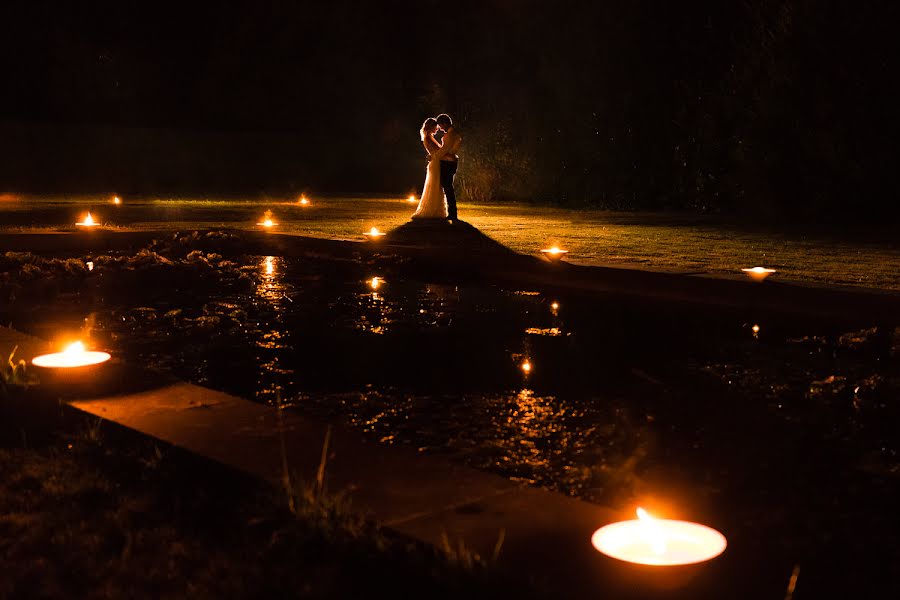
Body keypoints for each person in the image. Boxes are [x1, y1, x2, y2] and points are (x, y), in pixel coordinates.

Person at [411, 117, 449, 220]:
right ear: (431, 126)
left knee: (435, 186)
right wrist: (446, 147)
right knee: (436, 186)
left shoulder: (428, 137)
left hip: (435, 162)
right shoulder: (428, 138)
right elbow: (438, 151)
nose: (437, 129)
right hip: (436, 163)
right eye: (435, 127)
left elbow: (435, 152)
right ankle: (434, 210)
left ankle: (436, 209)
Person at [435, 113, 462, 221]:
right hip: (451, 162)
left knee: (448, 187)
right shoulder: (454, 133)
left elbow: (445, 150)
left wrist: (433, 156)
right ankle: (452, 212)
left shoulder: (449, 135)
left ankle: (452, 213)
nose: (440, 128)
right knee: (448, 187)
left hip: (448, 163)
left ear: (445, 123)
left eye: (441, 125)